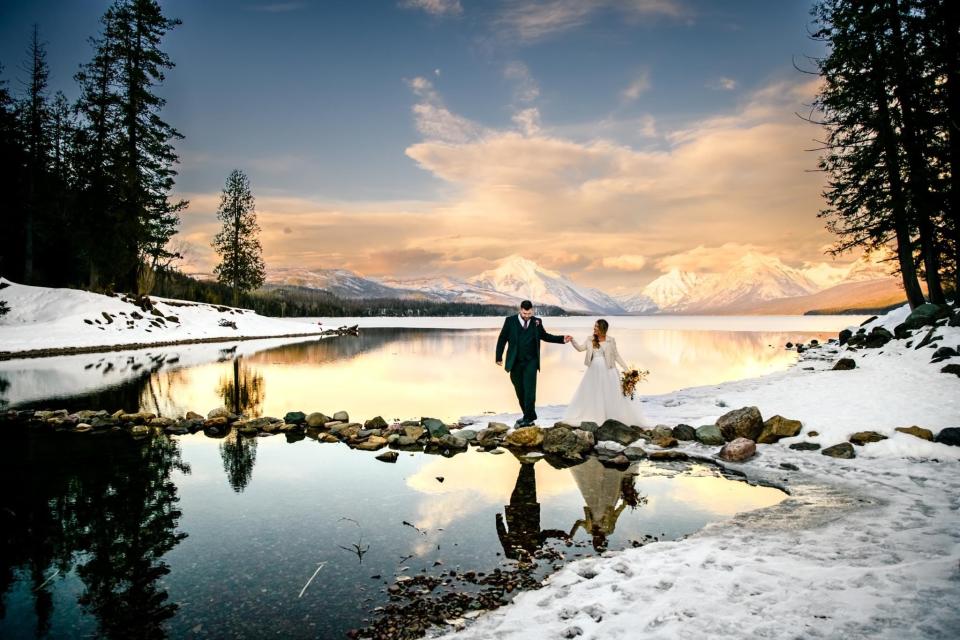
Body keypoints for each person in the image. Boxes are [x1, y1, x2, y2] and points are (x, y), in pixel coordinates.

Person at [495, 300, 571, 427]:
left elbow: (545, 336)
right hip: (515, 362)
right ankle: (528, 416)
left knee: (529, 391)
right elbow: (502, 338)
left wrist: (562, 339)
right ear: (520, 310)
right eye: (525, 313)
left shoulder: (537, 322)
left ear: (532, 311)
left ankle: (528, 418)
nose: (526, 316)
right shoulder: (510, 321)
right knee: (520, 390)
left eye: (529, 313)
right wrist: (498, 356)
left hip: (531, 362)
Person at [562, 318, 645, 427]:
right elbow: (580, 348)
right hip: (593, 371)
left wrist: (627, 370)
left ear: (602, 328)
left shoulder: (611, 340)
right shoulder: (590, 339)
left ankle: (610, 418)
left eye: (596, 326)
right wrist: (572, 340)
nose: (594, 328)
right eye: (594, 326)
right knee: (595, 393)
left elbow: (616, 356)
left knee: (609, 394)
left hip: (608, 370)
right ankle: (596, 417)